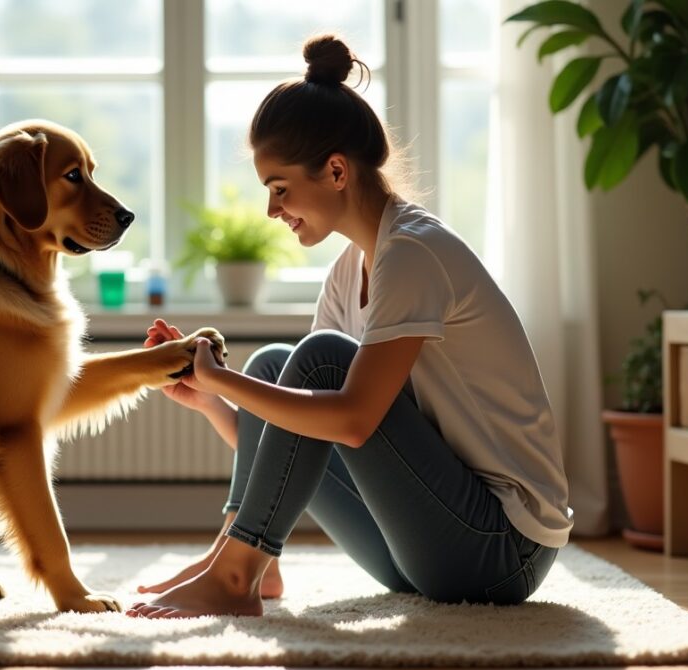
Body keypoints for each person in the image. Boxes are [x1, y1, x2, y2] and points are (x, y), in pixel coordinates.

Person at [127, 34, 572, 619]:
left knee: (319, 362)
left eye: (279, 189)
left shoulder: (413, 254)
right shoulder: (349, 272)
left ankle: (235, 574)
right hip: (422, 543)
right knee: (273, 368)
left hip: (502, 550)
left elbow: (356, 420)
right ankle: (243, 564)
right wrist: (210, 401)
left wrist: (221, 383)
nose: (272, 211)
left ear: (336, 170)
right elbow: (296, 446)